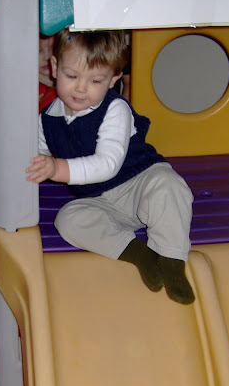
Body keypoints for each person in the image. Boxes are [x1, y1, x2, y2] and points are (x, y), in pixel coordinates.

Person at [26, 28, 195, 305]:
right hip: (99, 201)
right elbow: (36, 154)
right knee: (67, 220)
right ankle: (138, 253)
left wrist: (56, 169)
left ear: (113, 79)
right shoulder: (46, 119)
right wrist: (33, 163)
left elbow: (108, 164)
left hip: (138, 183)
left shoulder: (115, 109)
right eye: (72, 76)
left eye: (95, 80)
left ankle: (172, 259)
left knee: (169, 185)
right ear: (55, 67)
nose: (81, 88)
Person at [39, 33, 57, 112]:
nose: (47, 57)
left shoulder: (69, 83)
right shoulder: (26, 87)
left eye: (53, 49)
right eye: (39, 51)